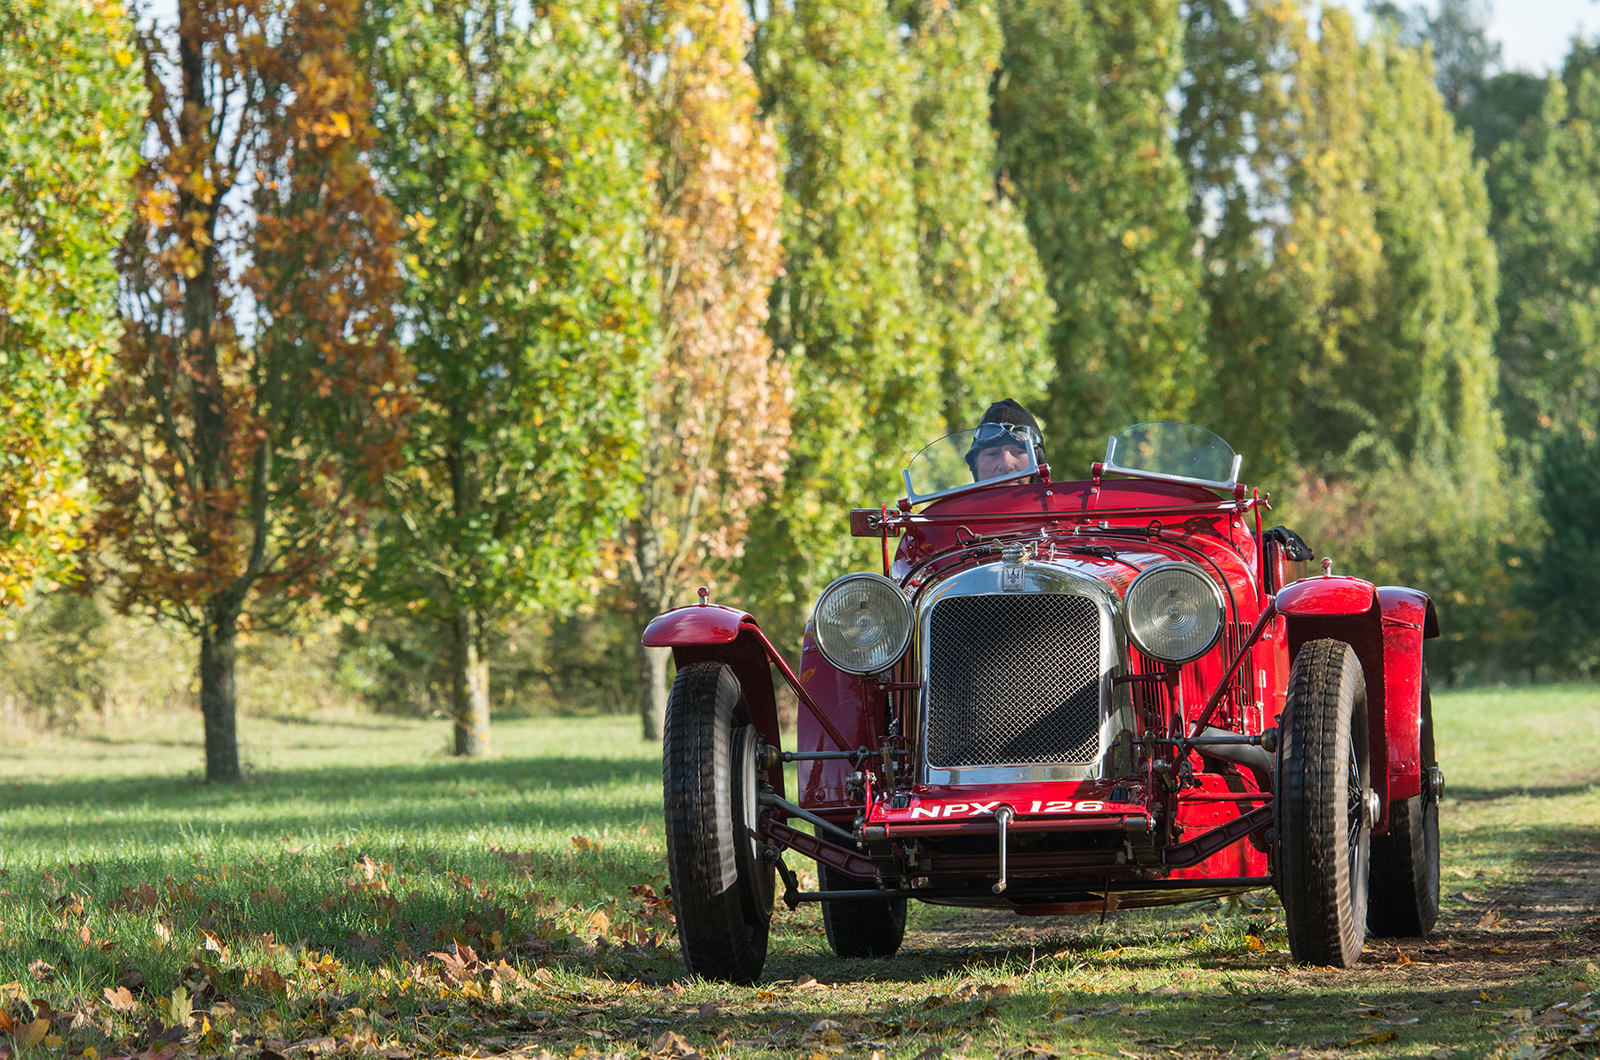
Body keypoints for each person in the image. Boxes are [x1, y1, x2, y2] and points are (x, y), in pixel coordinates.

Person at [964, 398, 1046, 482]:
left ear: (1038, 461)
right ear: (975, 466)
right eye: (992, 453)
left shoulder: (1059, 495)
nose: (1006, 465)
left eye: (1019, 452)